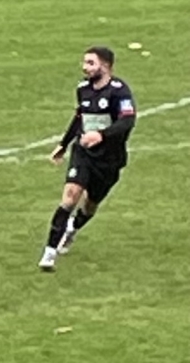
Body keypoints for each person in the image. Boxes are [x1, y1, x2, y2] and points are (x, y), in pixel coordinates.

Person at [39, 47, 136, 271]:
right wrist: (63, 144)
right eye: (84, 62)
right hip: (83, 153)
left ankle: (72, 228)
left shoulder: (119, 92)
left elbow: (127, 122)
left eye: (91, 63)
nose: (85, 67)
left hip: (109, 159)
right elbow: (79, 117)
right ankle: (49, 253)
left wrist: (101, 135)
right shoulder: (83, 88)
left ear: (106, 66)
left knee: (90, 205)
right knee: (70, 196)